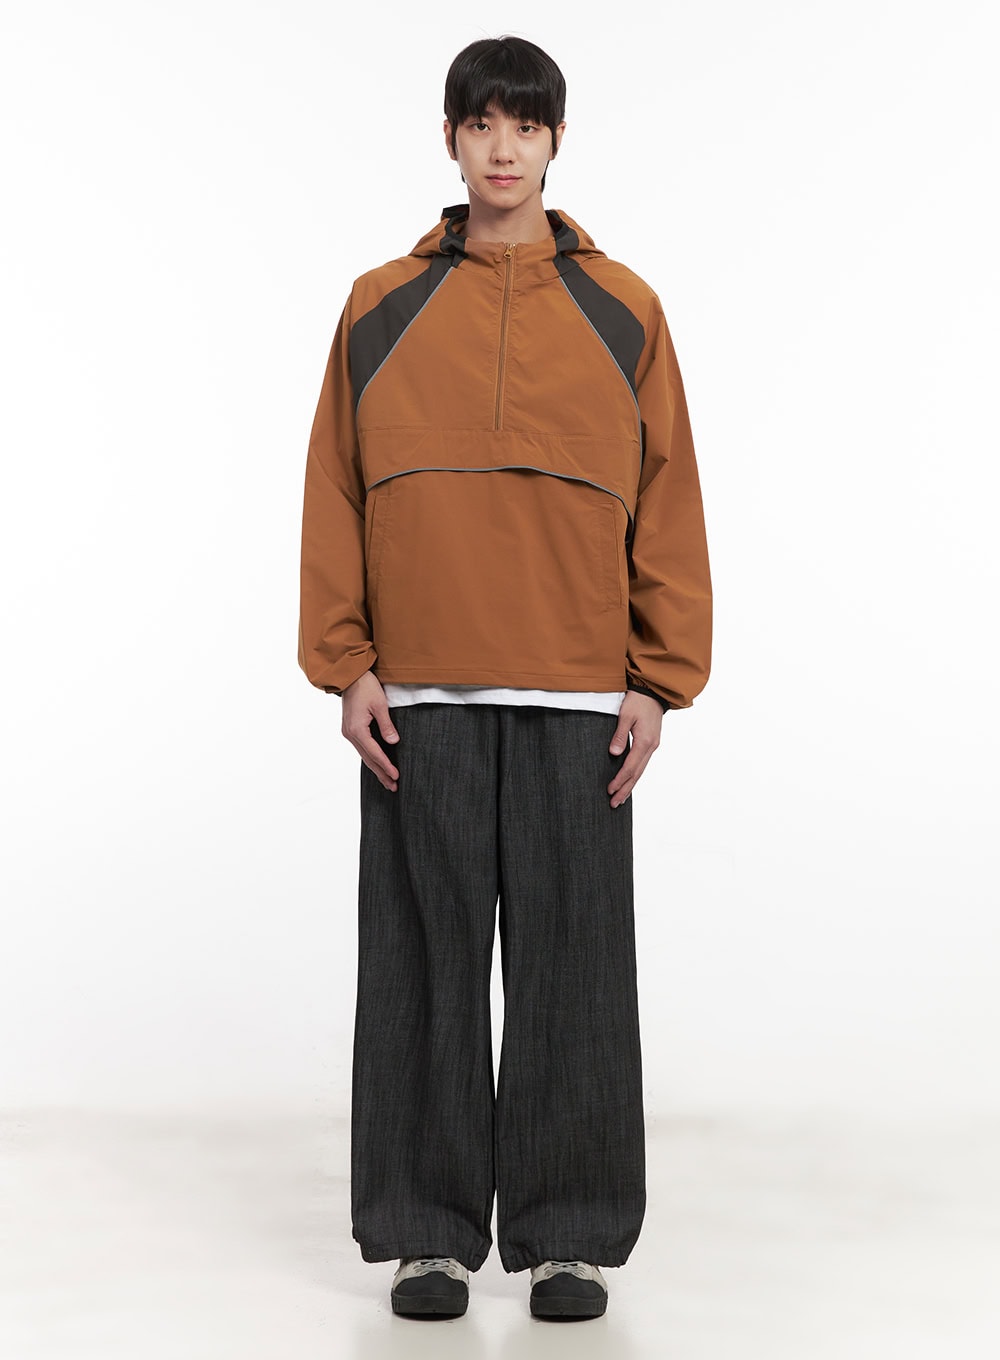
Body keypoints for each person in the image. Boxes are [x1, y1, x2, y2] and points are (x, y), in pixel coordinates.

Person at [297, 34, 712, 1321]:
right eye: (479, 123)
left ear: (555, 142)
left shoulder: (624, 308)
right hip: (418, 694)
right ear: (449, 139)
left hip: (579, 694)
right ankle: (426, 1235)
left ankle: (567, 1234)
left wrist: (657, 679)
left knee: (572, 971)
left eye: (523, 126)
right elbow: (332, 491)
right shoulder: (378, 306)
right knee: (421, 968)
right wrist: (345, 666)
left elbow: (668, 499)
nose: (501, 148)